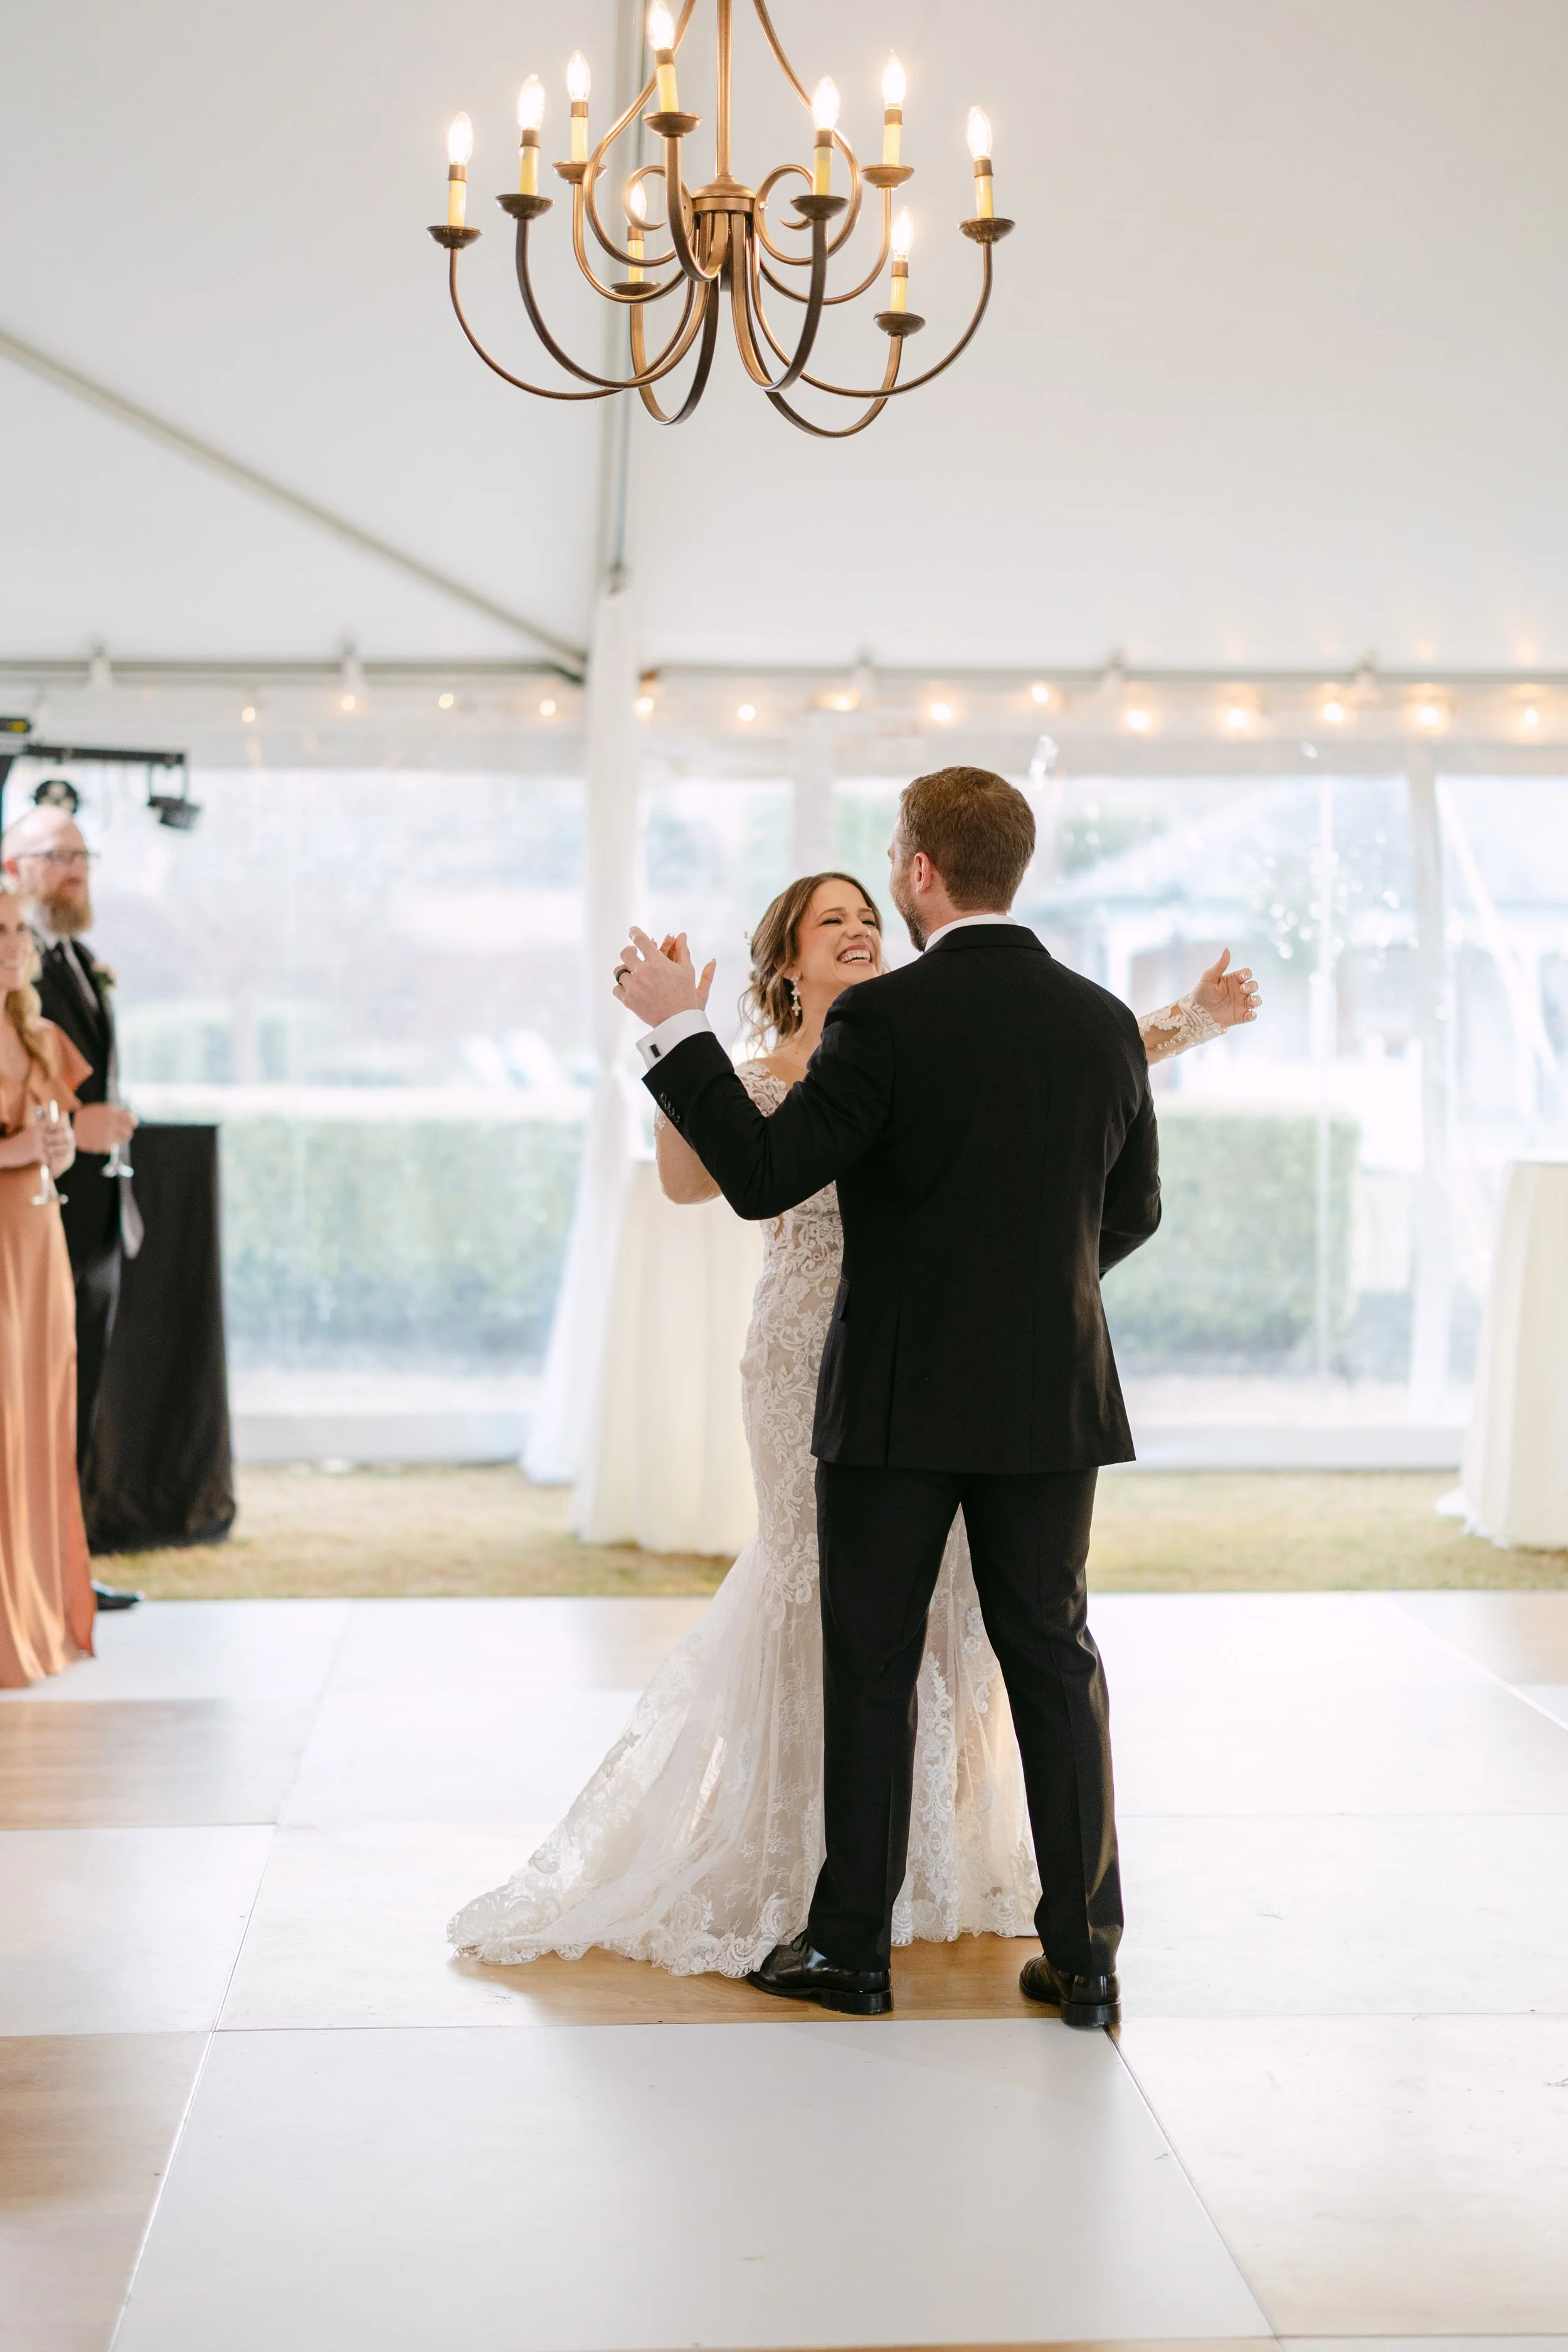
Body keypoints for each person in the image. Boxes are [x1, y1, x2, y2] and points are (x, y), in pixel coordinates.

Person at [451, 813, 1259, 2005]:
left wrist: (673, 1025)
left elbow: (765, 1179)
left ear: (919, 868)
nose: (870, 914)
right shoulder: (1094, 1020)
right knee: (1051, 1656)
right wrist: (1031, 1297)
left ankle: (849, 1949)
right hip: (1049, 1389)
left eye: (880, 883)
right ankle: (1088, 1962)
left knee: (871, 1658)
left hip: (893, 1385)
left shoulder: (887, 1019)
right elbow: (1129, 1211)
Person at [2, 802, 141, 1611]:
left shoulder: (81, 961)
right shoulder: (16, 974)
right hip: (28, 1217)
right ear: (12, 870)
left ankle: (60, 1569)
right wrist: (70, 1132)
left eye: (84, 854)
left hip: (88, 1219)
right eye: (57, 854)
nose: (76, 868)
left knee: (73, 1396)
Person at [0, 881, 97, 1686]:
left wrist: (54, 1151)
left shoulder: (28, 1027)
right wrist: (19, 1152)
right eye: (0, 930)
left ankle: (36, 1608)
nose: (13, 943)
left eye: (15, 930)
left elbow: (54, 1140)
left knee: (42, 1410)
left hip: (40, 1236)